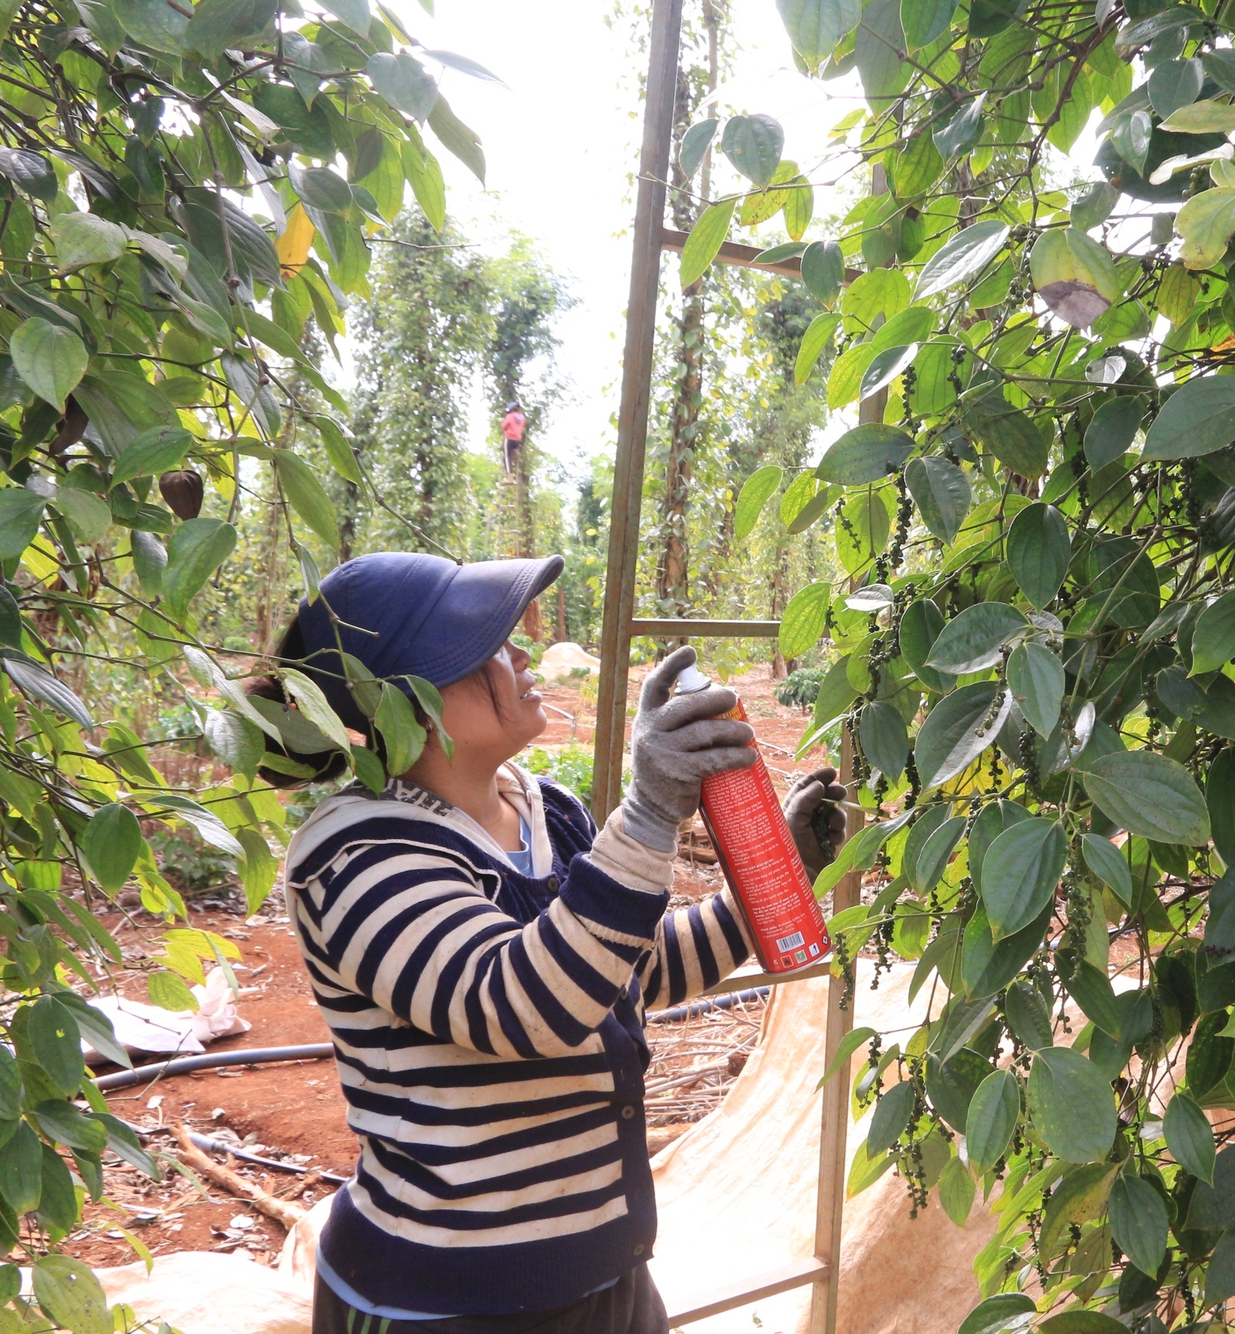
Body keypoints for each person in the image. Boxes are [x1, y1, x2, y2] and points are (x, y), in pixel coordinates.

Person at [250, 552, 849, 1334]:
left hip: (601, 1272)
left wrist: (767, 887)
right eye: (490, 646)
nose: (525, 655)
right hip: (448, 1300)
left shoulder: (549, 811)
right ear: (406, 696)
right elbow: (523, 1005)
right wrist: (646, 816)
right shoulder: (357, 854)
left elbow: (624, 973)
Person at [501, 402, 528, 477]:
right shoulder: (522, 417)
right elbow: (522, 427)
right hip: (517, 440)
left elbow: (503, 426)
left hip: (509, 438)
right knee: (509, 456)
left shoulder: (509, 416)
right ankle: (514, 459)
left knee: (507, 457)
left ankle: (510, 478)